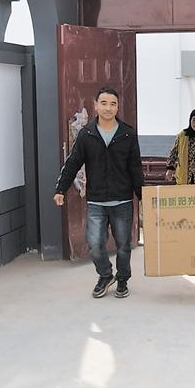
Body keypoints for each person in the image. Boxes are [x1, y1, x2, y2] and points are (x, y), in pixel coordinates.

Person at [53, 86, 143, 299]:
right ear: (95, 106)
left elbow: (135, 168)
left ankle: (122, 280)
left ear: (118, 107)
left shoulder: (128, 133)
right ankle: (105, 275)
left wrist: (142, 196)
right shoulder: (87, 134)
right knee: (94, 244)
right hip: (97, 201)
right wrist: (61, 189)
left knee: (123, 246)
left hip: (122, 200)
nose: (108, 108)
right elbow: (73, 162)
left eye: (113, 104)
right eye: (104, 103)